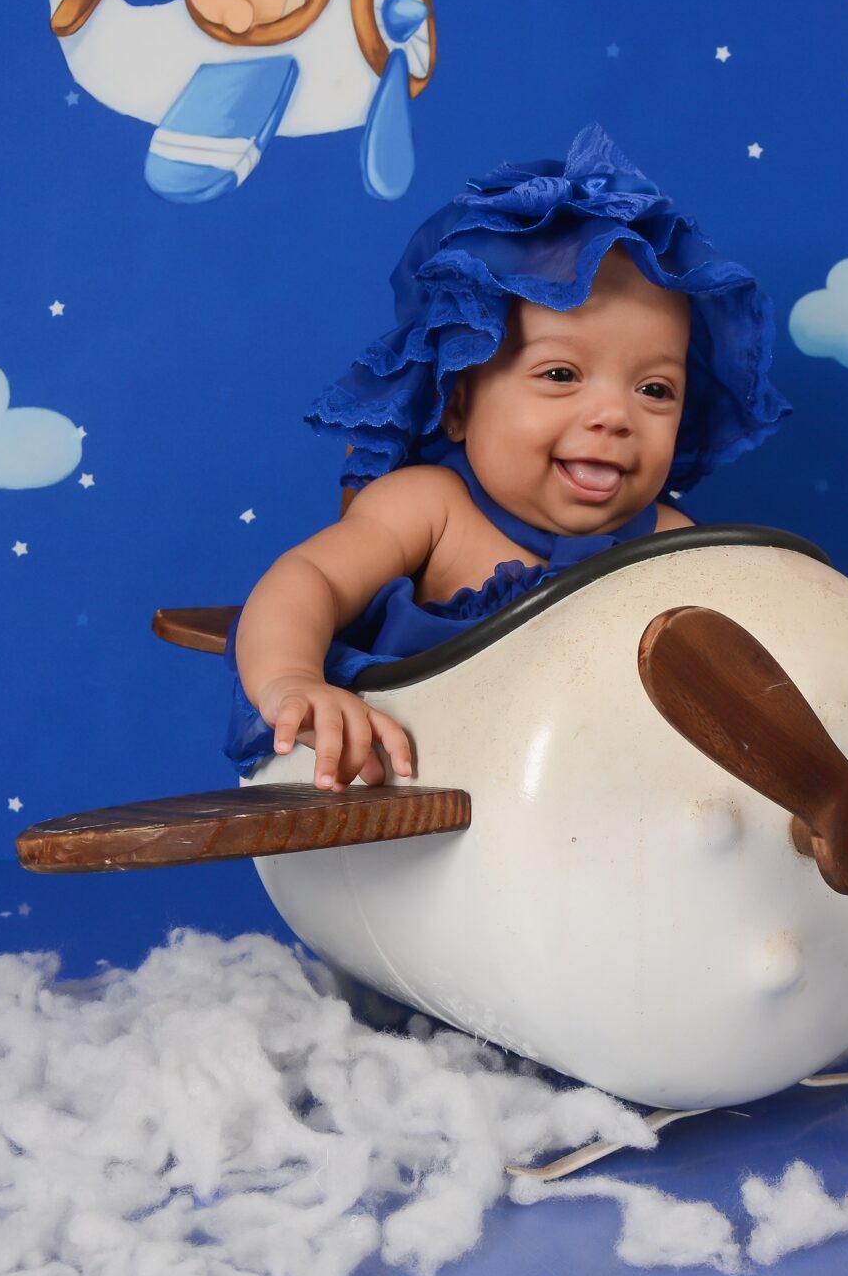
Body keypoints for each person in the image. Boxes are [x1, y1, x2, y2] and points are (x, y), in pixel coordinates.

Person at [226, 126, 790, 788]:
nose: (615, 416)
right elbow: (307, 579)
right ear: (459, 403)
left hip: (581, 808)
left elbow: (754, 673)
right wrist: (291, 677)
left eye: (654, 390)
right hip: (413, 793)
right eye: (560, 375)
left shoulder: (673, 542)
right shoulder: (431, 508)